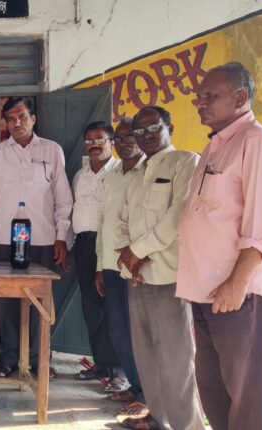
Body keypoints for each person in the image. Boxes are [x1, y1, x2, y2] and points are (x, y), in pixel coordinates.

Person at [178, 62, 262, 430]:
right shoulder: (216, 146)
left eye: (210, 96)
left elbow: (261, 226)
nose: (200, 102)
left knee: (248, 398)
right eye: (199, 96)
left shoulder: (256, 141)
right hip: (207, 292)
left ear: (240, 98)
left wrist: (237, 284)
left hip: (239, 294)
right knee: (214, 390)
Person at [116, 106, 204, 430]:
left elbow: (178, 217)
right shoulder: (137, 172)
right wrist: (129, 254)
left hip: (169, 275)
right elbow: (123, 219)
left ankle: (187, 425)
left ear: (170, 127)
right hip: (137, 277)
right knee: (146, 353)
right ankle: (157, 418)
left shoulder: (186, 162)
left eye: (153, 127)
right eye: (139, 131)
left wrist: (138, 251)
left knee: (176, 357)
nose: (146, 135)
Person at [0, 97, 72, 379]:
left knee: (40, 302)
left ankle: (39, 360)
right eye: (10, 118)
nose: (16, 122)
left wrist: (61, 237)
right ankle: (9, 359)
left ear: (33, 119)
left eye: (22, 116)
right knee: (8, 301)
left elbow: (63, 198)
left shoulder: (51, 150)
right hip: (5, 239)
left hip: (43, 238)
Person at [94, 118, 147, 415]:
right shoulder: (112, 175)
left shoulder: (148, 171)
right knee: (119, 330)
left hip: (138, 264)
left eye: (130, 137)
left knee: (140, 330)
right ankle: (135, 385)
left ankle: (147, 393)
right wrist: (100, 267)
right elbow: (104, 222)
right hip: (111, 265)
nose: (124, 143)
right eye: (119, 139)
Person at [71, 121, 122, 387]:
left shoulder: (120, 172)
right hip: (84, 245)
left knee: (113, 308)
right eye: (89, 140)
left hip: (111, 246)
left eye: (100, 139)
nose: (94, 144)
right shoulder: (80, 176)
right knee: (92, 309)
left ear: (111, 142)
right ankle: (101, 364)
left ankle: (120, 372)